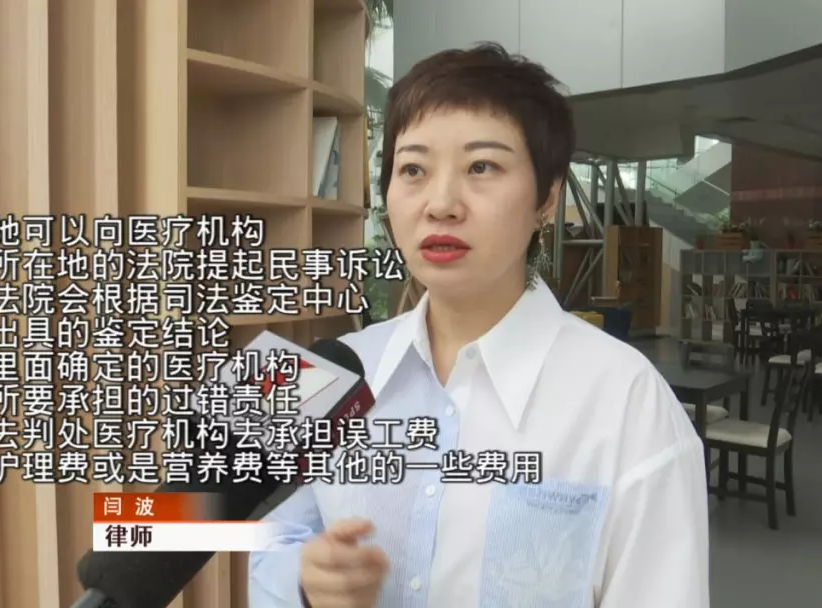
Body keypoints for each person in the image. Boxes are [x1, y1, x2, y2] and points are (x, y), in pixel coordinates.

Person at [249, 43, 709, 608]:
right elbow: (210, 530)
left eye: (481, 167)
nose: (440, 203)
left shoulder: (630, 404)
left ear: (546, 198)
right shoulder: (328, 366)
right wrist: (299, 577)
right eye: (413, 169)